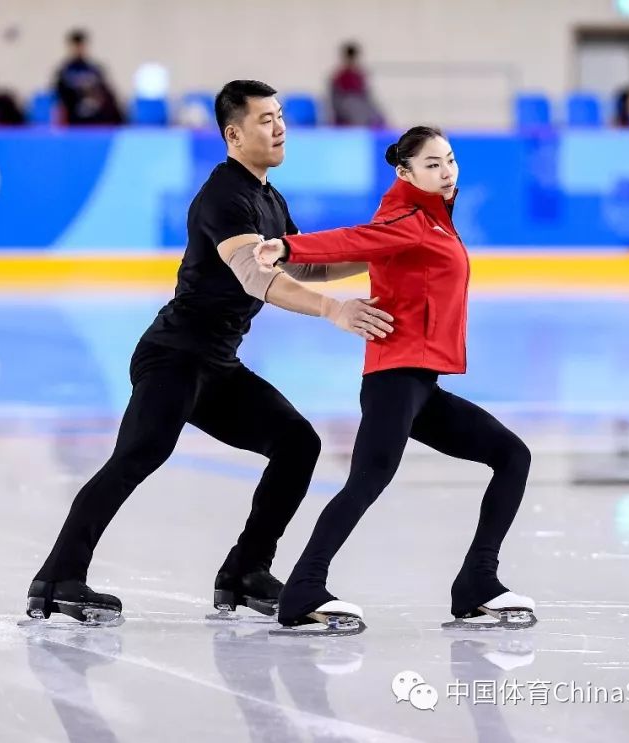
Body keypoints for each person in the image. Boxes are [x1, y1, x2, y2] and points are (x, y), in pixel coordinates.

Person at [26, 80, 396, 625]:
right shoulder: (225, 195)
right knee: (139, 454)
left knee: (296, 444)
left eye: (280, 116)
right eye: (265, 119)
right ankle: (57, 579)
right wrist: (332, 309)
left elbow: (303, 265)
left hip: (217, 365)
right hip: (174, 355)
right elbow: (254, 275)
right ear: (233, 133)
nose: (279, 127)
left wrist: (378, 251)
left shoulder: (269, 198)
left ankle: (245, 572)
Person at [254, 126, 536, 635]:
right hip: (395, 380)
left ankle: (478, 583)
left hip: (418, 384)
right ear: (405, 172)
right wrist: (287, 248)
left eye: (449, 160)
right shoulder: (407, 219)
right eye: (432, 165)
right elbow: (355, 239)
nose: (446, 171)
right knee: (367, 481)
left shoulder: (433, 220)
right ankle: (303, 590)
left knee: (512, 455)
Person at [53, 29, 124, 126]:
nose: (78, 49)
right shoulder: (64, 71)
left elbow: (106, 93)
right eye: (76, 45)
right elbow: (59, 95)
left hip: (95, 118)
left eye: (81, 45)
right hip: (74, 118)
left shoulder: (94, 70)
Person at [329, 42, 386, 127]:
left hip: (361, 107)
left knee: (378, 115)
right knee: (356, 108)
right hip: (348, 110)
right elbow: (336, 101)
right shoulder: (339, 76)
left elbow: (366, 96)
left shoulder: (359, 75)